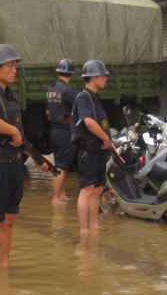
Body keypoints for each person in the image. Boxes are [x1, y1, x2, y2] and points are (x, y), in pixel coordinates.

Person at [0, 44, 52, 273]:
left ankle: (4, 267)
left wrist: (38, 159)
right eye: (9, 66)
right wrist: (11, 130)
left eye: (15, 66)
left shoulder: (12, 97)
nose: (14, 70)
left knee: (9, 219)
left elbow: (20, 138)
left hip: (14, 166)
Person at [70, 60, 112, 235]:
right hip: (89, 149)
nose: (105, 79)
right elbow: (88, 122)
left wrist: (112, 147)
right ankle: (84, 230)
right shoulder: (83, 98)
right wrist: (105, 138)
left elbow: (102, 127)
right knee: (87, 190)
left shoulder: (95, 99)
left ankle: (94, 225)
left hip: (99, 150)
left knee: (98, 189)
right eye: (103, 76)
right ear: (93, 77)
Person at [46, 58, 79, 204]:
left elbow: (47, 112)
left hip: (55, 129)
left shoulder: (51, 89)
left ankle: (62, 196)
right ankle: (55, 199)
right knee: (61, 166)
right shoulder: (69, 91)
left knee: (62, 164)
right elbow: (82, 107)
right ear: (71, 74)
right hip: (65, 129)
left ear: (58, 72)